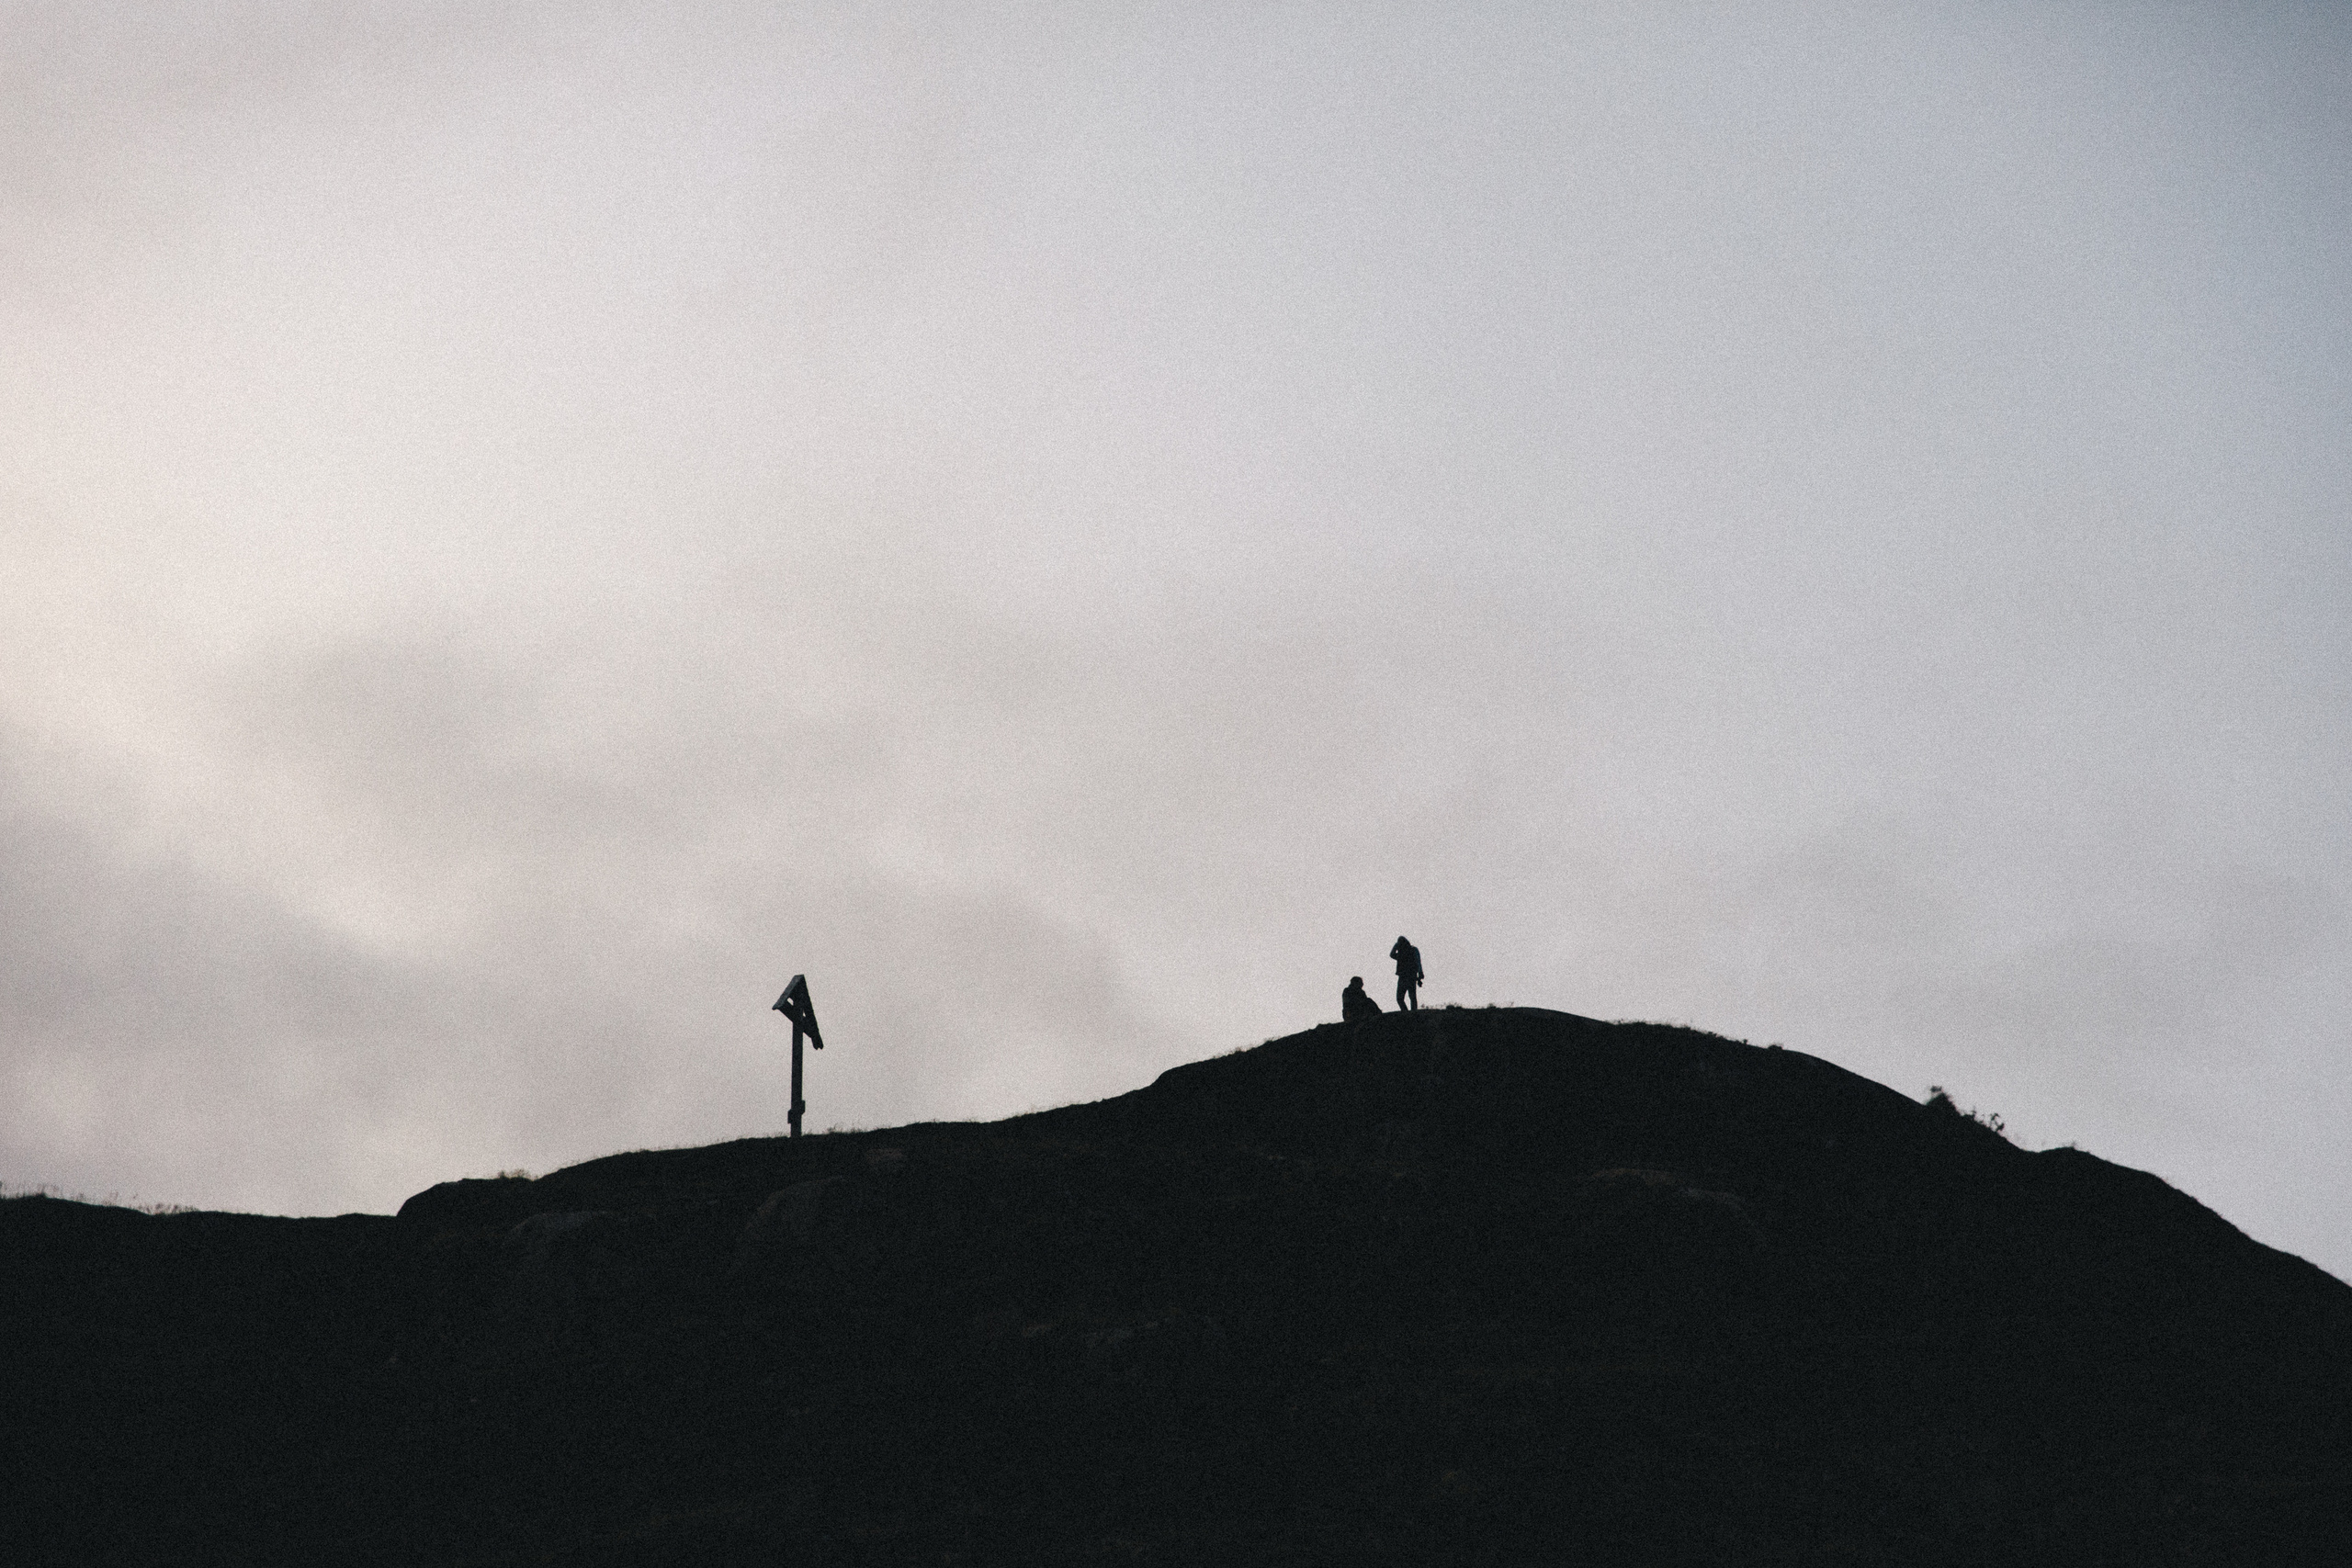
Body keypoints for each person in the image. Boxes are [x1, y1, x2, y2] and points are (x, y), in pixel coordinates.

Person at [1390, 936, 1423, 1011]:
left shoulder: (1409, 951)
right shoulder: (1402, 953)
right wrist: (1420, 974)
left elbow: (1418, 962)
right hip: (1406, 976)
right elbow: (1392, 955)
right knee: (1405, 997)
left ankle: (1411, 1013)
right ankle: (1408, 1013)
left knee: (1408, 997)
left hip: (1409, 976)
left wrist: (1420, 974)